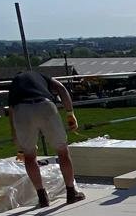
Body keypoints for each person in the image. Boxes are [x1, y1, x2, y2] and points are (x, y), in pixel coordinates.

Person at [6, 68, 86, 208]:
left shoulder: (15, 83)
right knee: (62, 151)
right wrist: (70, 113)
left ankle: (42, 197)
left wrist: (16, 137)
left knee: (29, 156)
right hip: (45, 106)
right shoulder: (41, 76)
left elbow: (12, 109)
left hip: (22, 111)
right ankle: (71, 193)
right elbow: (61, 88)